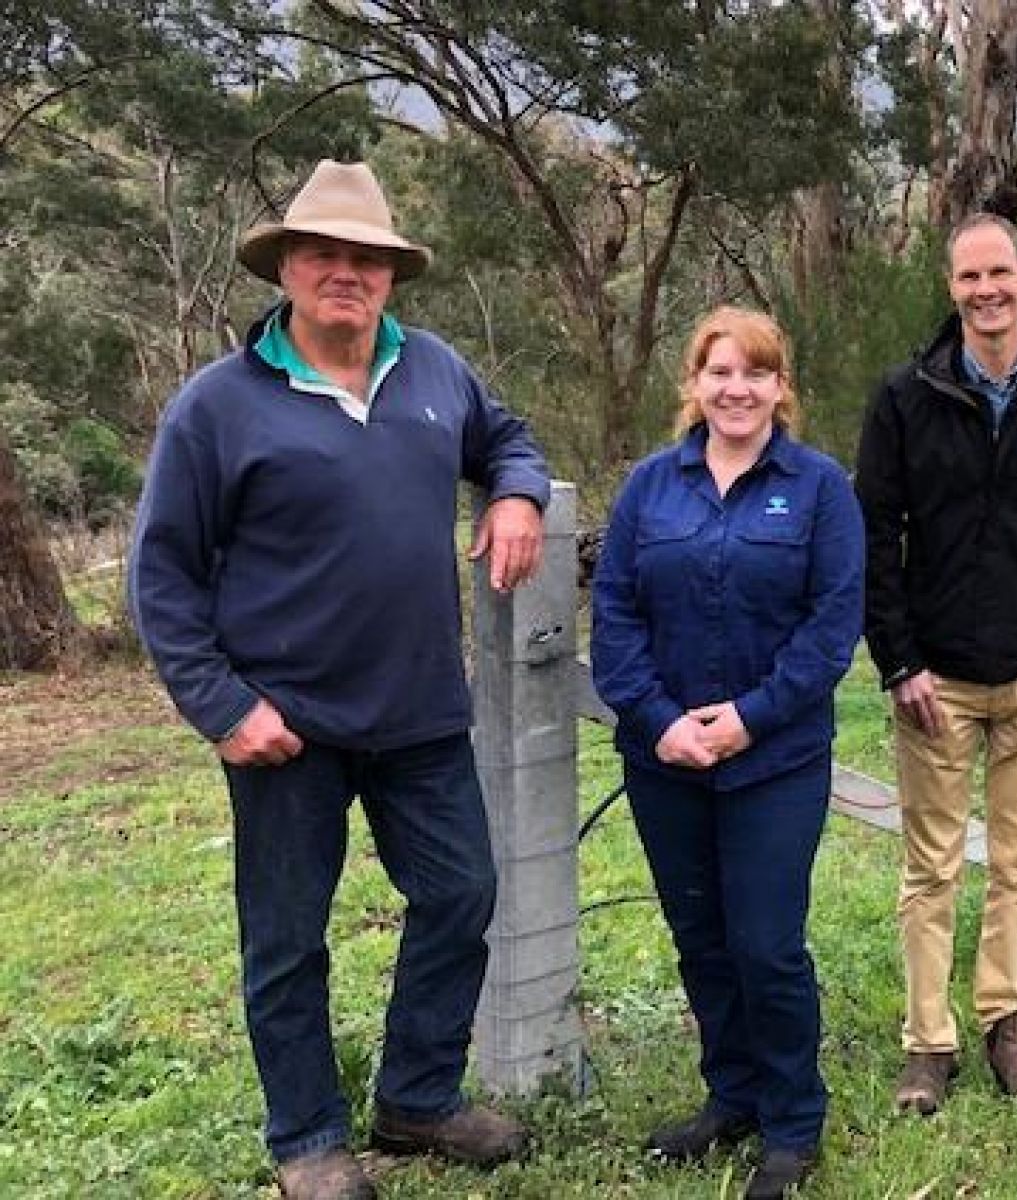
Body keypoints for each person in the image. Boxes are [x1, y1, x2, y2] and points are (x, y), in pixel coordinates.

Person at [128, 161, 545, 1200]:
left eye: (367, 258)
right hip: (284, 724)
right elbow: (162, 574)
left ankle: (417, 1100)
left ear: (393, 275)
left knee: (460, 895)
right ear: (287, 267)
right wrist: (222, 706)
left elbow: (507, 438)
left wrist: (516, 495)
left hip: (418, 713)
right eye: (325, 254)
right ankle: (308, 1141)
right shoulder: (216, 407)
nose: (346, 274)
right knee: (287, 940)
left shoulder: (436, 372)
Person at [590, 306, 863, 1200]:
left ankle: (791, 1122)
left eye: (755, 372)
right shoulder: (648, 489)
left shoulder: (819, 488)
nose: (736, 388)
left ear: (781, 387)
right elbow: (617, 615)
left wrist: (748, 718)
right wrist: (661, 719)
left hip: (774, 761)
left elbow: (830, 631)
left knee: (767, 943)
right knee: (702, 939)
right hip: (662, 759)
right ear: (694, 386)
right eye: (719, 372)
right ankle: (731, 1096)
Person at [855, 213, 1017, 1115]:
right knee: (930, 866)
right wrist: (898, 663)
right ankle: (928, 1047)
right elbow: (874, 536)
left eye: (998, 273)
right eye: (969, 277)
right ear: (951, 289)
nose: (986, 291)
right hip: (934, 680)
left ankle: (1008, 1027)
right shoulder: (905, 397)